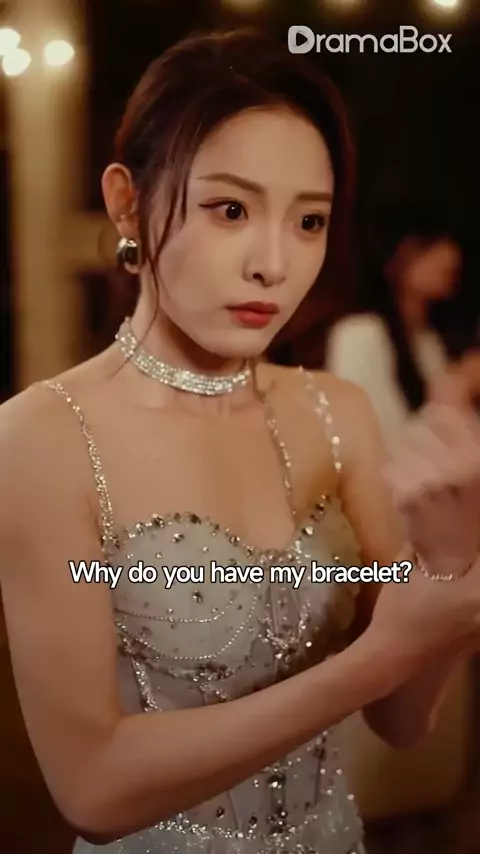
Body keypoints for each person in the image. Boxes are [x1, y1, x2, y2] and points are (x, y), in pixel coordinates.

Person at [0, 28, 479, 854]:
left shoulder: (338, 413)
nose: (274, 264)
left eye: (309, 221)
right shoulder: (39, 437)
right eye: (231, 210)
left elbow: (402, 720)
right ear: (127, 203)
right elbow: (92, 787)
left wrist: (447, 569)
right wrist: (378, 657)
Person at [324, 208, 478, 448]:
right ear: (392, 257)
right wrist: (457, 386)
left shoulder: (428, 339)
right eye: (429, 246)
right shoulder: (360, 334)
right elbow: (378, 440)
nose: (449, 255)